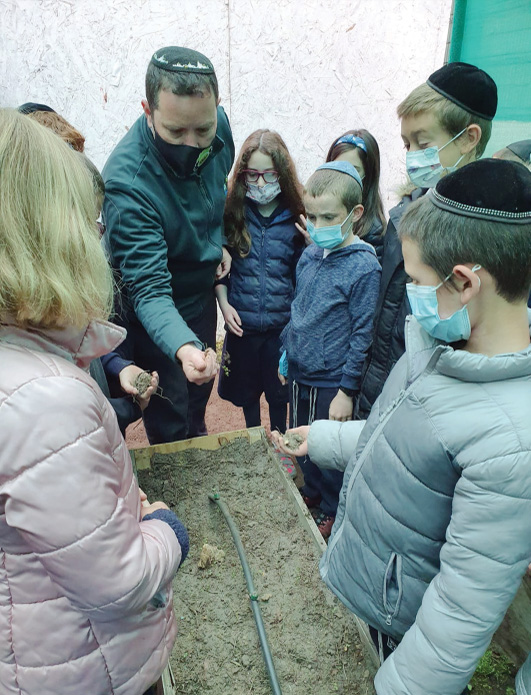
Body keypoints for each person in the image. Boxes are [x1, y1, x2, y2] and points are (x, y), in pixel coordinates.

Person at [274, 158, 531, 695]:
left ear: (464, 283)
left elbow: (462, 606)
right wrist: (325, 438)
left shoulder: (510, 442)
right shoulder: (442, 342)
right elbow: (398, 439)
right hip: (381, 588)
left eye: (416, 280)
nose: (412, 294)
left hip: (407, 623)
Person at [0, 108, 189, 695]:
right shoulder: (44, 402)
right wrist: (164, 530)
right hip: (83, 669)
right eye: (90, 222)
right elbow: (117, 584)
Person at [103, 46, 235, 445]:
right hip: (158, 306)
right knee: (170, 405)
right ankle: (175, 450)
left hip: (200, 293)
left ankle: (195, 427)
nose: (192, 143)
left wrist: (217, 239)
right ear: (148, 111)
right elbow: (150, 291)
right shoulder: (127, 183)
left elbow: (217, 189)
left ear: (216, 109)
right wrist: (183, 347)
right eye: (176, 132)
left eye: (203, 130)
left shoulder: (219, 127)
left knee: (198, 394)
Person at [356, 62, 498, 419]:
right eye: (407, 144)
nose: (411, 156)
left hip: (433, 405)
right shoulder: (403, 213)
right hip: (380, 385)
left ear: (468, 138)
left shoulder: (490, 234)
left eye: (423, 143)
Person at [279, 161, 380, 537]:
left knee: (328, 448)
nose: (318, 226)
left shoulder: (364, 268)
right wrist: (286, 351)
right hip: (300, 372)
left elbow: (362, 335)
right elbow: (299, 307)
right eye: (312, 217)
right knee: (302, 437)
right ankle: (312, 490)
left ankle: (333, 507)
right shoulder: (309, 255)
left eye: (329, 218)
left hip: (331, 381)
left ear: (355, 213)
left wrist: (346, 391)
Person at [215, 129, 305, 443]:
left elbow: (303, 274)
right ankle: (254, 439)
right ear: (242, 174)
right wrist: (224, 304)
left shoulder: (296, 216)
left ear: (282, 174)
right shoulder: (233, 211)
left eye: (269, 174)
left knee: (280, 395)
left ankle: (280, 442)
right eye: (252, 175)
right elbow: (220, 268)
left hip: (281, 329)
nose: (261, 184)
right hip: (243, 327)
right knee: (247, 395)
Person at [324, 129, 387, 260]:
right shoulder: (320, 208)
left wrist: (321, 250)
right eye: (336, 167)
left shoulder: (373, 230)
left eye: (353, 169)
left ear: (368, 175)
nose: (343, 175)